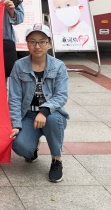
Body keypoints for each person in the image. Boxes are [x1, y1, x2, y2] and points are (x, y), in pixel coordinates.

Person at [9, 24, 69, 183]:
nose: (37, 46)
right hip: (28, 115)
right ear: (27, 43)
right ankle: (33, 148)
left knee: (52, 120)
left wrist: (44, 111)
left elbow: (61, 96)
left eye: (42, 41)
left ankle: (57, 160)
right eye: (33, 41)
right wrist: (16, 124)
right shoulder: (19, 66)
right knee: (19, 146)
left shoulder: (58, 66)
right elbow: (14, 98)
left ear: (49, 43)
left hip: (51, 114)